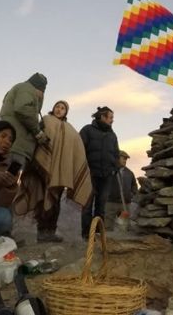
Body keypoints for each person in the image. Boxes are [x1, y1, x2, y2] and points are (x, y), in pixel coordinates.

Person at [26, 100, 91, 242]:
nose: (59, 109)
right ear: (53, 108)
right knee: (43, 199)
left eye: (63, 108)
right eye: (57, 107)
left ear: (66, 112)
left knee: (55, 201)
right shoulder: (45, 120)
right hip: (43, 168)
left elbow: (77, 148)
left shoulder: (69, 129)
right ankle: (41, 231)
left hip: (61, 172)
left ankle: (51, 231)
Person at [80, 106, 119, 238]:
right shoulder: (87, 130)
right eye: (111, 117)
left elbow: (116, 154)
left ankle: (98, 234)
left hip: (106, 176)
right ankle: (86, 235)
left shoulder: (112, 135)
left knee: (101, 206)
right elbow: (80, 151)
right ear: (102, 117)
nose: (112, 120)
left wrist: (115, 168)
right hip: (90, 174)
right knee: (87, 205)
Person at [0, 73, 49, 170]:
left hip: (14, 147)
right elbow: (22, 108)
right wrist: (38, 132)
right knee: (9, 181)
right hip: (17, 149)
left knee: (3, 179)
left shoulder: (21, 89)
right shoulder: (27, 88)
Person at [105, 150, 138, 231]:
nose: (125, 160)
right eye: (123, 158)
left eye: (126, 159)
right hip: (111, 202)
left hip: (125, 204)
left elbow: (134, 185)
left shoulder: (130, 173)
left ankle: (123, 242)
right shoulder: (109, 170)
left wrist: (132, 194)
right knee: (107, 225)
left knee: (125, 226)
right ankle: (107, 242)